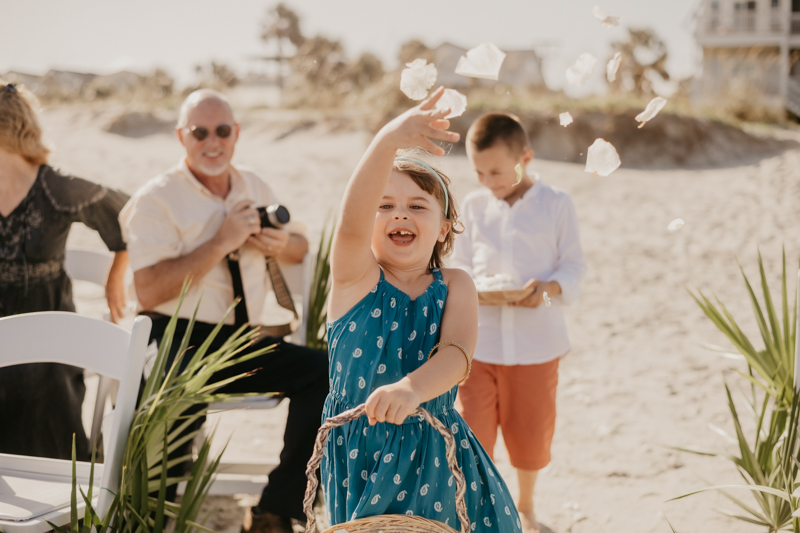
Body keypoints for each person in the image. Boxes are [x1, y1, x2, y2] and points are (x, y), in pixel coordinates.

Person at [119, 89, 328, 533]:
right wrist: (220, 243)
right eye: (199, 132)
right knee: (174, 393)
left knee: (328, 373)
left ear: (237, 134)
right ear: (181, 137)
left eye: (222, 130)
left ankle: (275, 509)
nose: (211, 141)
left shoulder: (254, 185)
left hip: (241, 342)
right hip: (176, 336)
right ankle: (152, 518)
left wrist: (279, 243)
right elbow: (149, 289)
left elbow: (301, 246)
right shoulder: (157, 198)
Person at [321, 87, 522, 532]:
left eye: (417, 206)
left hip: (437, 444)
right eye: (385, 206)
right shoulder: (356, 281)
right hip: (363, 449)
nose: (400, 215)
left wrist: (412, 389)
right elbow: (351, 225)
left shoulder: (455, 285)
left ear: (445, 225)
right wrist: (388, 140)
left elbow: (456, 355)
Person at [451, 112, 587, 533]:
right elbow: (458, 264)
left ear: (525, 158)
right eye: (478, 172)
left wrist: (546, 290)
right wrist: (474, 290)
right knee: (473, 434)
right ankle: (477, 509)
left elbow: (574, 267)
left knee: (530, 436)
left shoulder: (557, 204)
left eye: (495, 171)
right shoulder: (473, 207)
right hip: (480, 345)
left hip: (537, 346)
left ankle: (525, 507)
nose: (487, 180)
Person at [0, 81, 130, 461]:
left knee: (48, 404)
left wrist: (115, 277)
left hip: (49, 327)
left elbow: (127, 216)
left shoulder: (57, 187)